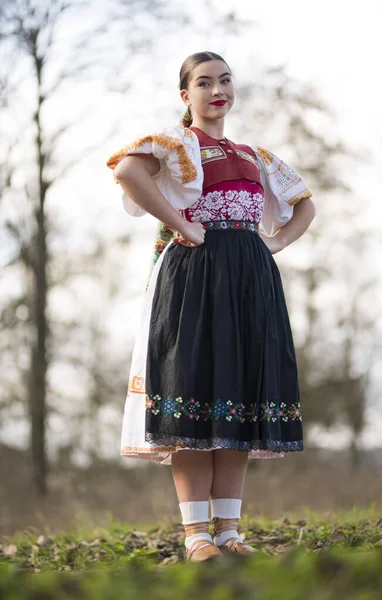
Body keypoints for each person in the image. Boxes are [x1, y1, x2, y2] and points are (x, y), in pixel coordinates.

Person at [106, 51, 316, 563]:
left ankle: (228, 532)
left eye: (225, 81)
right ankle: (195, 534)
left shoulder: (256, 154)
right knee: (194, 388)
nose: (217, 90)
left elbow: (306, 203)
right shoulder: (179, 143)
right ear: (186, 95)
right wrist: (183, 224)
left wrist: (277, 241)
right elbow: (128, 170)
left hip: (250, 276)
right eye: (204, 83)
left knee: (239, 394)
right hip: (195, 278)